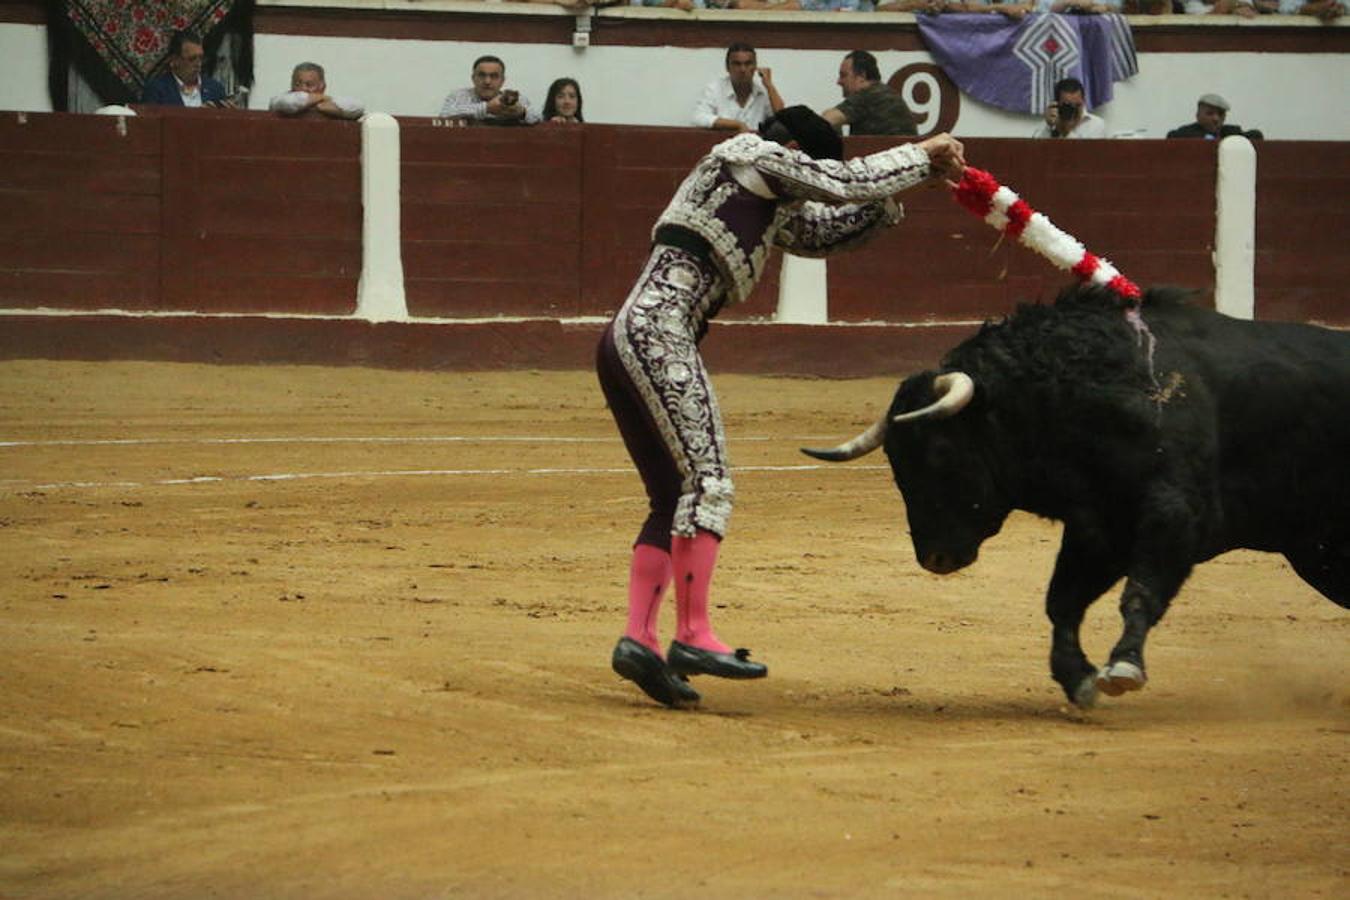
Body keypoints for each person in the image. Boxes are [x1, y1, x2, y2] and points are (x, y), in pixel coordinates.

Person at [598, 106, 966, 709]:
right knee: (708, 484)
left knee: (673, 496)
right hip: (659, 334)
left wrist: (909, 184)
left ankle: (640, 639)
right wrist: (920, 155)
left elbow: (828, 231)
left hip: (631, 336)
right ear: (793, 151)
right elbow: (843, 183)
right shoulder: (749, 153)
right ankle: (692, 633)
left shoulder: (760, 198)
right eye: (809, 168)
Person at [691, 43, 786, 134]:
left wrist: (769, 85)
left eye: (748, 64)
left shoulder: (763, 93)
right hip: (723, 143)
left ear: (755, 67)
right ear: (727, 67)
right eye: (737, 64)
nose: (743, 69)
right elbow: (698, 118)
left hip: (756, 144)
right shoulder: (715, 89)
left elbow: (783, 120)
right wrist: (737, 125)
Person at [821, 50, 918, 137]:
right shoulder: (884, 93)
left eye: (844, 75)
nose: (839, 81)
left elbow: (827, 120)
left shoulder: (869, 96)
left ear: (862, 76)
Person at [440, 55, 540, 126]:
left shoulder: (515, 99)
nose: (487, 81)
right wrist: (486, 108)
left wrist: (522, 112)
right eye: (482, 75)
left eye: (494, 76)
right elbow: (443, 117)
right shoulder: (458, 96)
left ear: (502, 81)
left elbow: (539, 119)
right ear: (473, 78)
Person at [139, 31, 230, 108]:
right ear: (174, 60)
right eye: (192, 59)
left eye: (201, 58)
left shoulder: (215, 89)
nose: (198, 64)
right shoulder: (156, 90)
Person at [268, 63, 364, 120]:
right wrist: (321, 98)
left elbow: (358, 107)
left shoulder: (328, 101)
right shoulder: (279, 100)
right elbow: (290, 103)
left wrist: (325, 105)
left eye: (309, 85)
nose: (303, 88)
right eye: (297, 84)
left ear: (322, 87)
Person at [1033, 77, 1107, 139]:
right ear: (1057, 103)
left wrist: (1066, 131)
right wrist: (1049, 127)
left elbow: (1088, 151)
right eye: (1068, 105)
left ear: (1083, 101)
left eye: (1077, 105)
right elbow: (1035, 149)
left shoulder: (1096, 124)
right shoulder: (1048, 124)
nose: (1073, 110)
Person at [1166, 93, 1262, 140]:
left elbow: (1256, 135)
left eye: (1220, 114)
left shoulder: (1232, 132)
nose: (1216, 118)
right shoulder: (1184, 134)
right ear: (1198, 115)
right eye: (1209, 113)